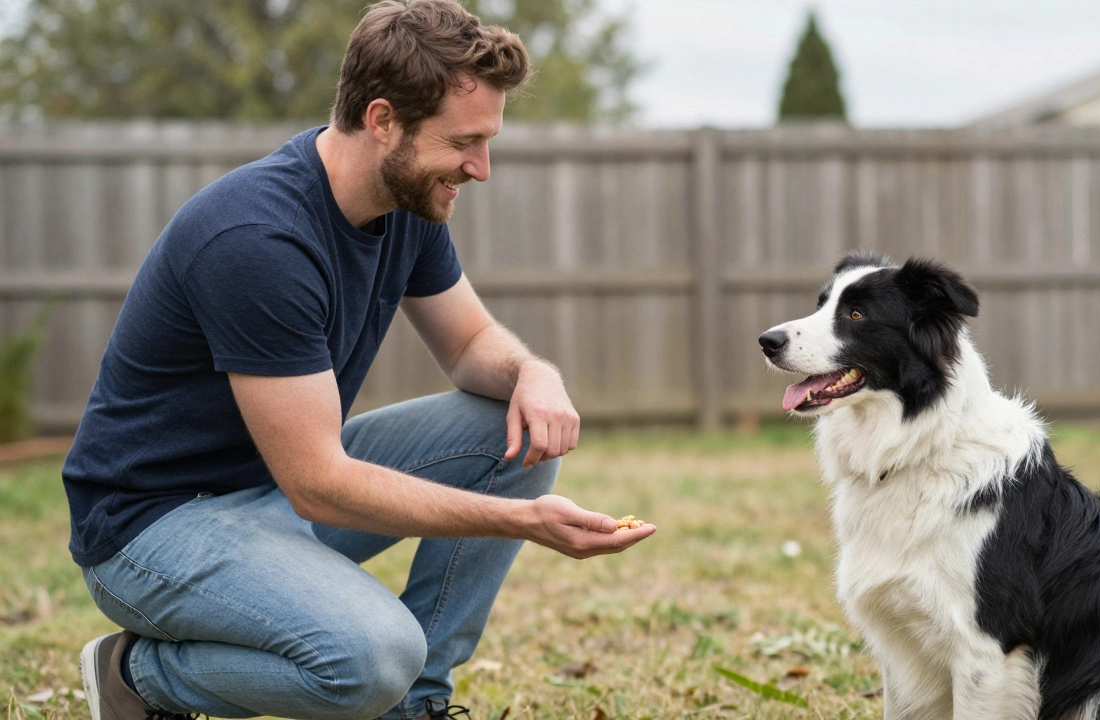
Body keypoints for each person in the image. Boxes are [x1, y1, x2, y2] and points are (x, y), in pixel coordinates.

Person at [62, 2, 656, 719]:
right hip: (151, 529)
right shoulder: (258, 239)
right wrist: (522, 521)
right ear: (382, 121)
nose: (482, 168)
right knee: (372, 658)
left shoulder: (408, 202)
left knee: (510, 428)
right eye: (465, 141)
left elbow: (470, 347)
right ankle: (138, 675)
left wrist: (535, 374)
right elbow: (318, 484)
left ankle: (417, 706)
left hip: (271, 493)